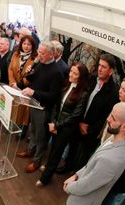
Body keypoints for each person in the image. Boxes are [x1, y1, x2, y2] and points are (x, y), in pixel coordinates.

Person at [37, 62, 89, 186]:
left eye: (75, 73)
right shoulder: (66, 85)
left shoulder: (83, 94)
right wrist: (53, 122)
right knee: (53, 148)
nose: (71, 74)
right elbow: (57, 105)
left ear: (81, 77)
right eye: (71, 71)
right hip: (56, 123)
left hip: (66, 129)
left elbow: (75, 116)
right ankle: (49, 166)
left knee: (56, 153)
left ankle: (45, 178)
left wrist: (57, 125)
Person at [17, 41, 64, 173]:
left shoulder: (56, 72)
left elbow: (53, 96)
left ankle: (36, 161)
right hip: (33, 103)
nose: (39, 55)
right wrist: (29, 73)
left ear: (51, 55)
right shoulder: (40, 64)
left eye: (42, 53)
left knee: (41, 136)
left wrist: (34, 92)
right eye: (39, 52)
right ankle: (30, 151)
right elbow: (36, 80)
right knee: (32, 130)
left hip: (43, 109)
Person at [72, 54, 119, 171]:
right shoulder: (92, 79)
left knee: (82, 158)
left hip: (90, 131)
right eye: (99, 65)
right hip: (77, 121)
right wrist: (78, 120)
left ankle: (76, 179)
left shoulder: (113, 92)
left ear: (111, 71)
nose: (99, 69)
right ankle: (67, 167)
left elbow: (105, 117)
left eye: (103, 67)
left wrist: (89, 129)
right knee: (72, 149)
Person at [8, 35, 38, 137]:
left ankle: (23, 131)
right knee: (15, 107)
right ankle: (14, 125)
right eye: (24, 43)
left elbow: (32, 76)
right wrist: (12, 83)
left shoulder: (35, 58)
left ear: (32, 46)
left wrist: (19, 85)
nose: (26, 46)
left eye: (29, 44)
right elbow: (11, 69)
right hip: (14, 87)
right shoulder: (16, 54)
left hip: (25, 89)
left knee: (25, 111)